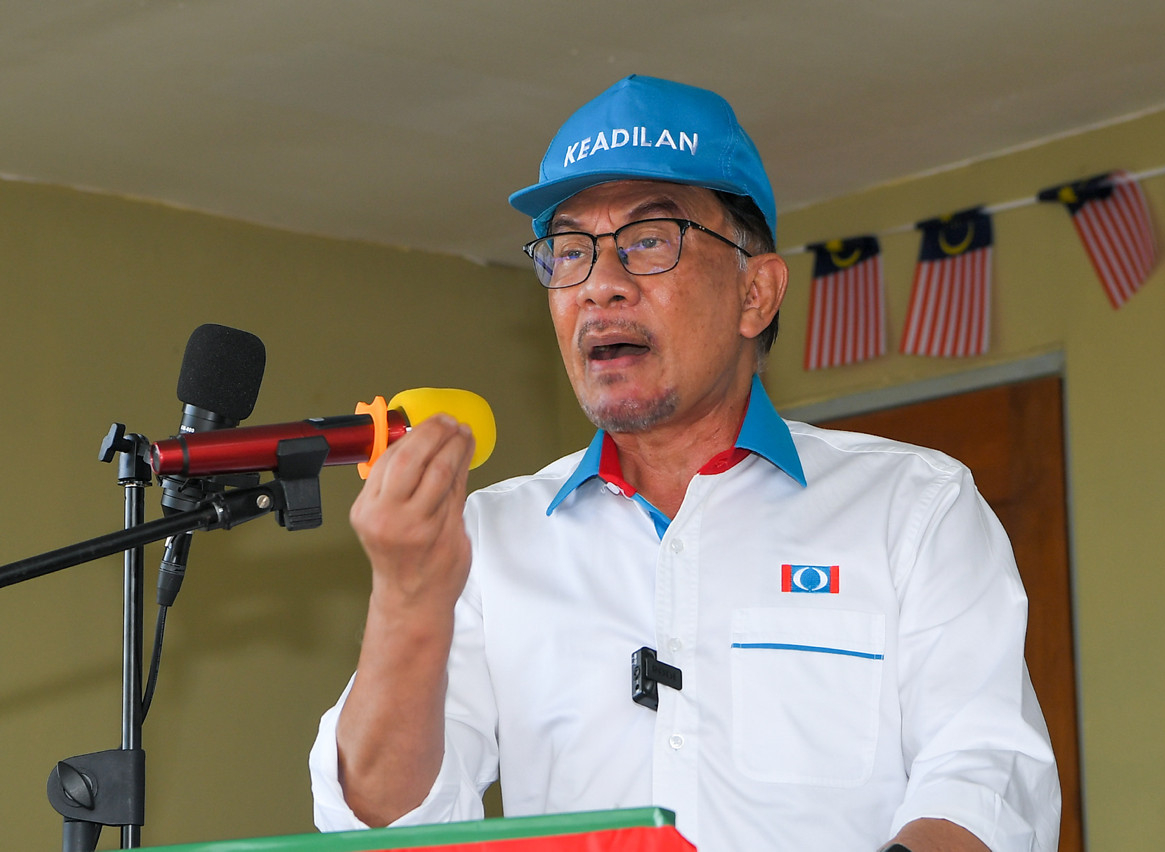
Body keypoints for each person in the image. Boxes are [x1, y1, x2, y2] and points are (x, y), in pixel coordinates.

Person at [310, 75, 1061, 852]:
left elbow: (987, 785)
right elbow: (379, 828)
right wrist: (405, 596)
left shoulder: (913, 506)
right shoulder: (486, 537)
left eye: (648, 240)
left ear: (755, 293)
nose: (600, 286)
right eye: (569, 251)